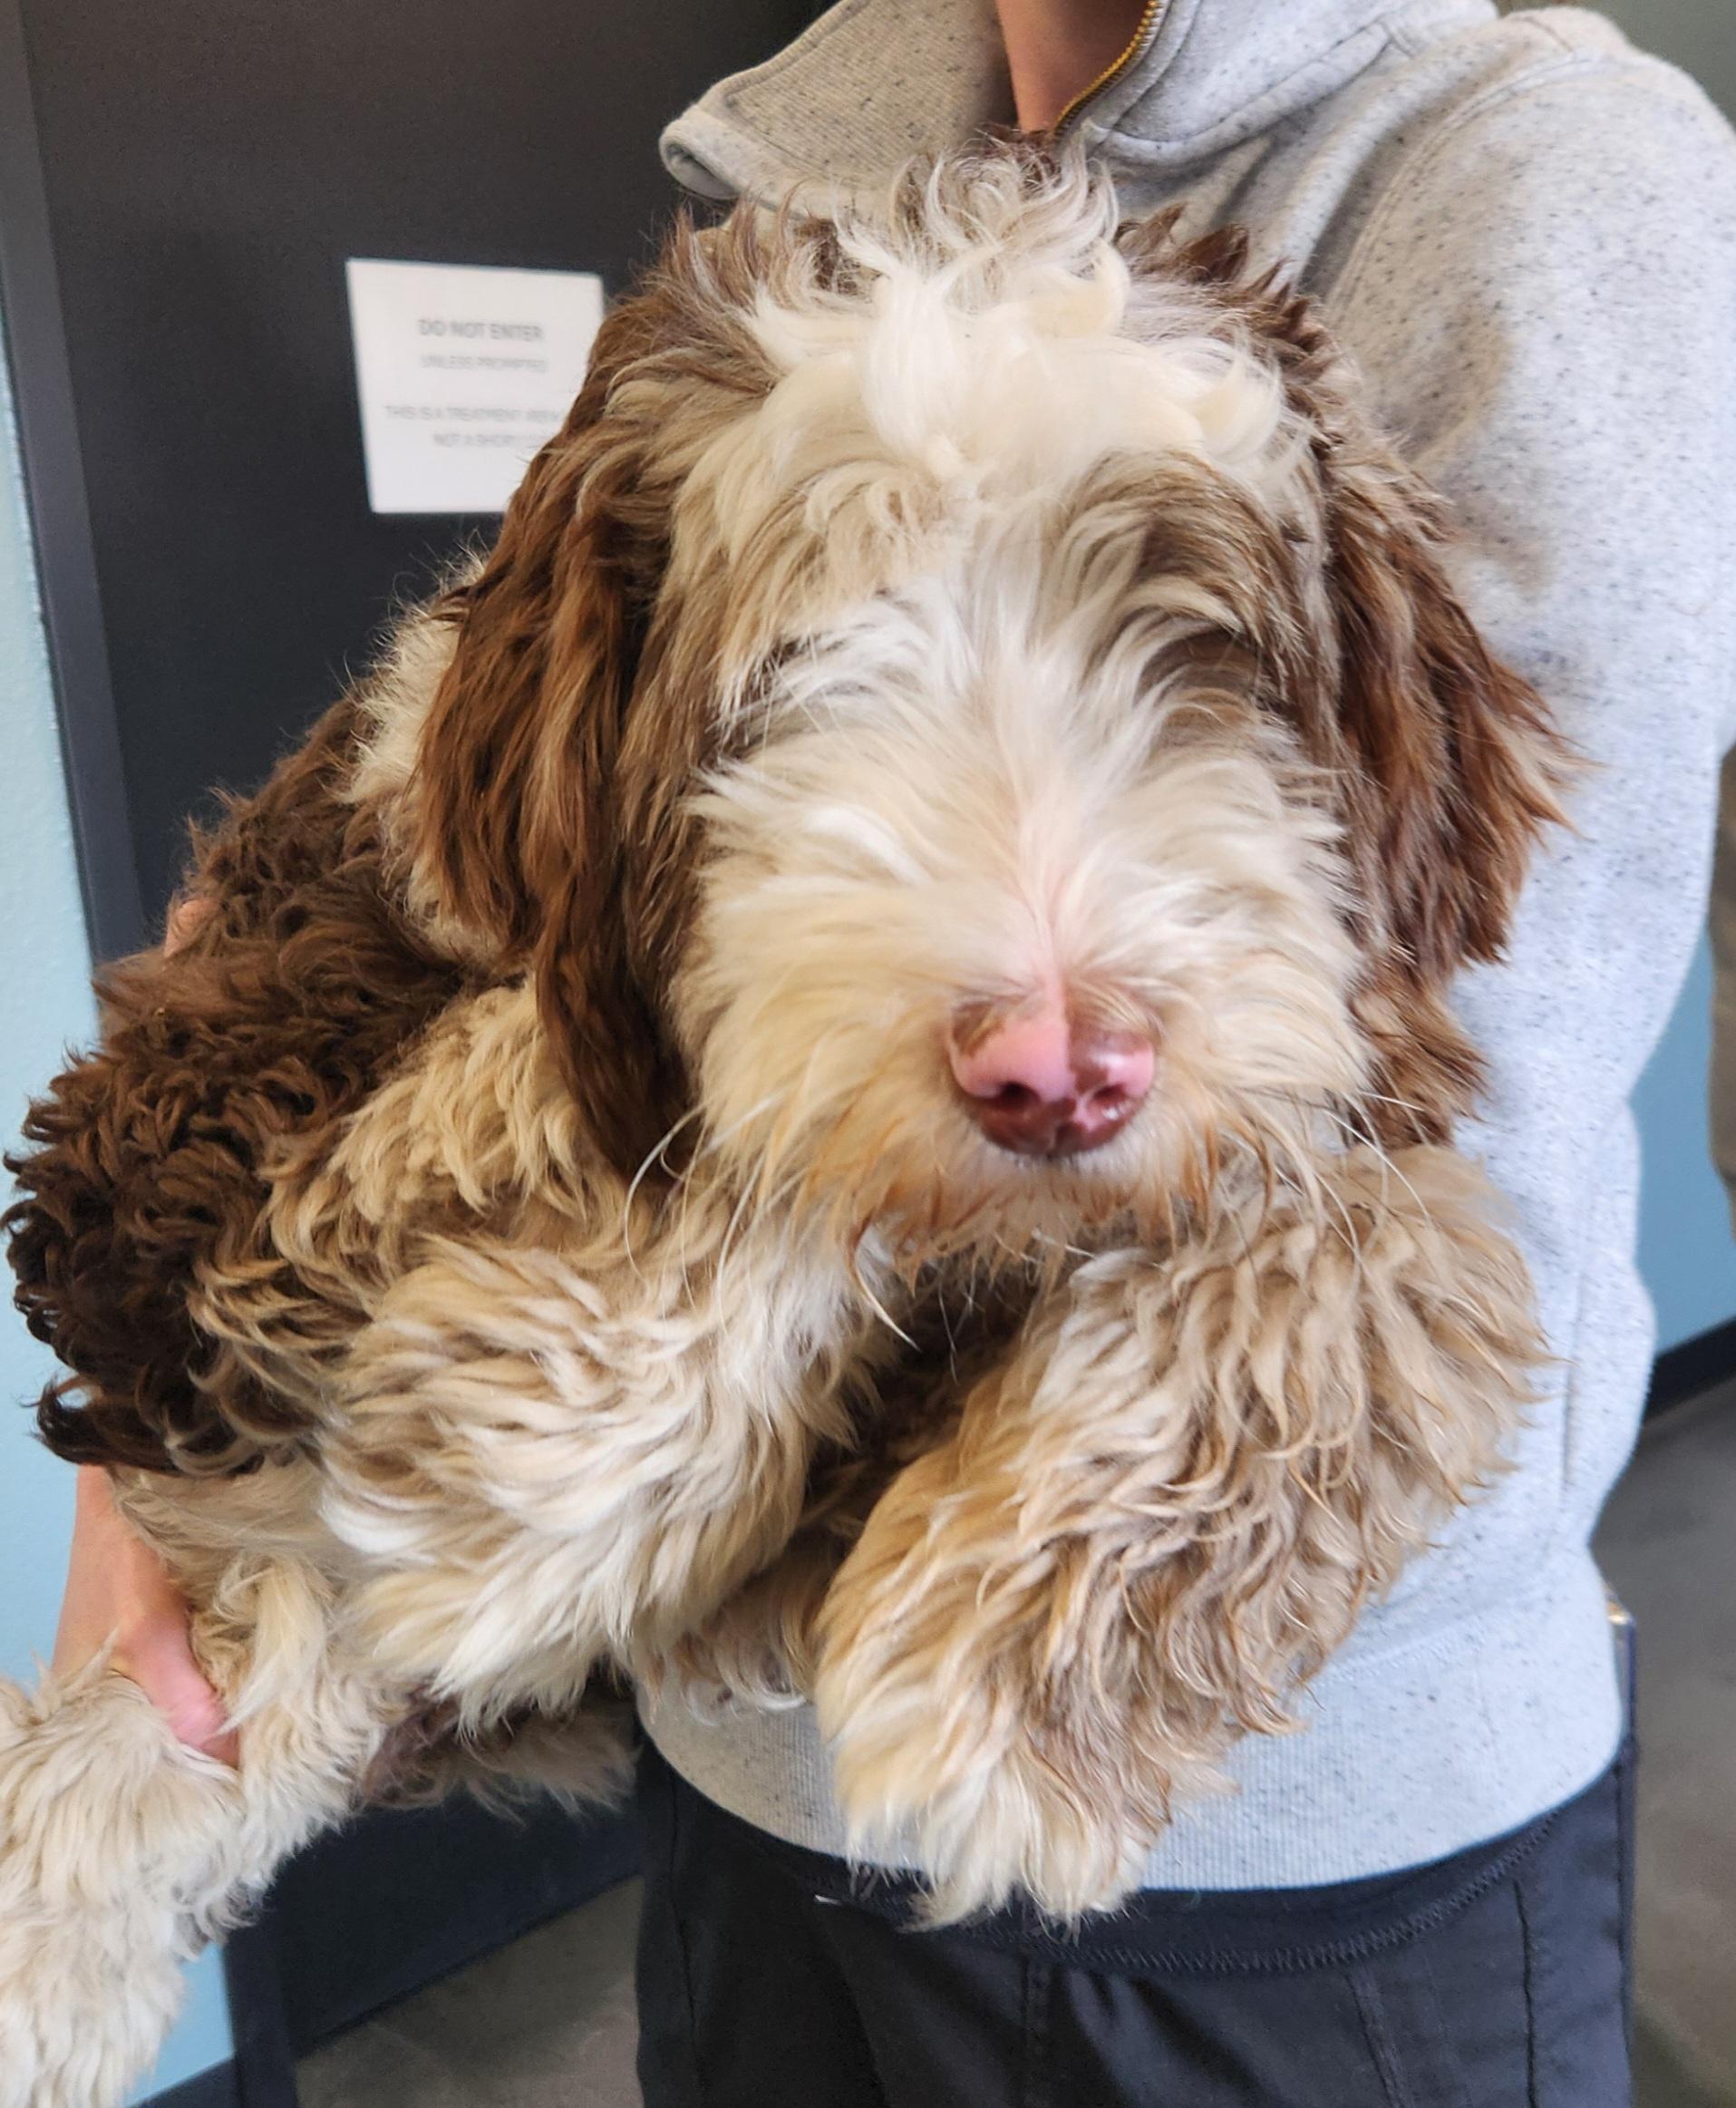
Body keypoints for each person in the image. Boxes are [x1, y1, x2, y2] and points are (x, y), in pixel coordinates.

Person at [50, 2, 1736, 2101]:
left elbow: (1418, 1106)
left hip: (1262, 1832)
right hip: (749, 1779)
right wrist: (170, 1415)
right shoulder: (775, 181)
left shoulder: (1541, 162)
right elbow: (482, 882)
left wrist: (473, 1402)